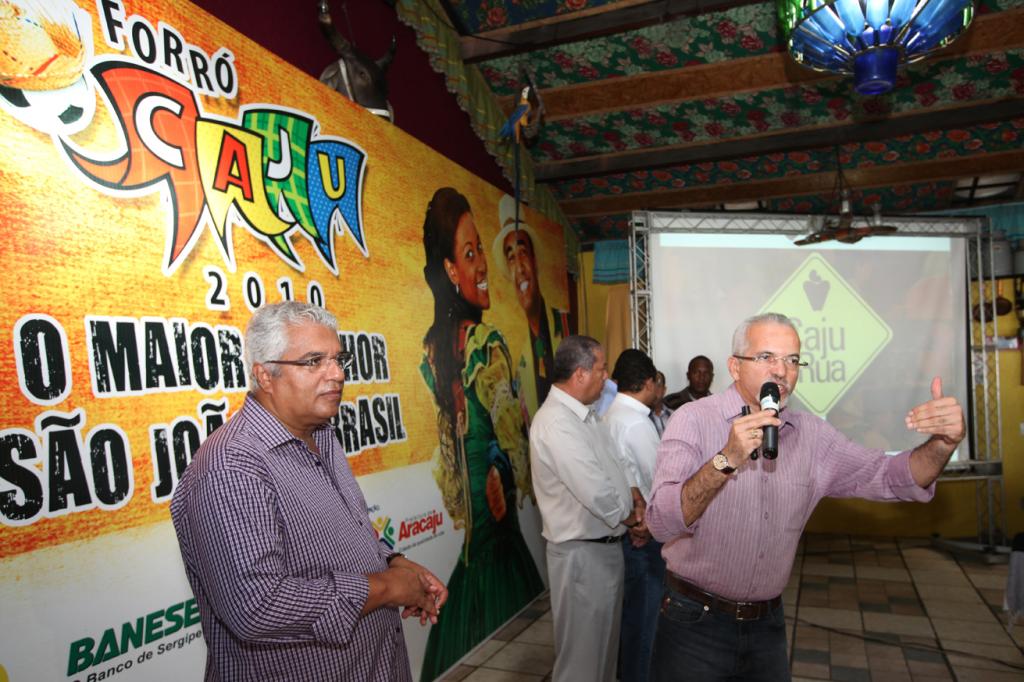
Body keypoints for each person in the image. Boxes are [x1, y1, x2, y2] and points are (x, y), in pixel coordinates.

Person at [646, 312, 965, 681]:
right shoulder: (693, 419)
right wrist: (726, 459)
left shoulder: (813, 437)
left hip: (766, 628)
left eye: (792, 360)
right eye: (766, 357)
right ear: (735, 367)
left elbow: (889, 476)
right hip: (693, 623)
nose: (782, 371)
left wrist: (943, 444)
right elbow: (661, 522)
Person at [170, 302, 447, 682]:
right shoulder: (230, 468)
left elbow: (339, 534)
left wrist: (392, 562)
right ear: (265, 375)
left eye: (338, 359)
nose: (337, 374)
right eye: (314, 361)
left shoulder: (321, 434)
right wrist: (386, 588)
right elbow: (258, 607)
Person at [419, 187, 544, 680]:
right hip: (499, 552)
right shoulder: (486, 345)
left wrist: (493, 466)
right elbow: (516, 445)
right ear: (451, 271)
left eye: (479, 252)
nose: (483, 265)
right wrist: (501, 467)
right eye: (470, 254)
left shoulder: (436, 353)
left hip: (473, 559)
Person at [529, 335, 642, 682]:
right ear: (580, 374)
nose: (607, 377)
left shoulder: (585, 415)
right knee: (581, 663)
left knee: (602, 658)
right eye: (601, 369)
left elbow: (615, 464)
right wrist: (633, 518)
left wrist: (633, 496)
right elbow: (595, 491)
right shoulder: (556, 423)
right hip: (582, 556)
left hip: (602, 551)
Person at [602, 349, 665, 682]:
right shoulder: (637, 423)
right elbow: (659, 481)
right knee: (644, 624)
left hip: (625, 530)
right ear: (649, 382)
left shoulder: (609, 415)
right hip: (644, 534)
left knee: (630, 621)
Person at [491, 193, 563, 421]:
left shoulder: (562, 324)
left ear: (535, 260)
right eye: (511, 258)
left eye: (523, 253)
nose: (520, 268)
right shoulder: (516, 353)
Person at [649, 370, 674, 437]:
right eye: (651, 386)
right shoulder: (641, 417)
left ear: (664, 390)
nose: (654, 390)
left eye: (658, 385)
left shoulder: (674, 416)